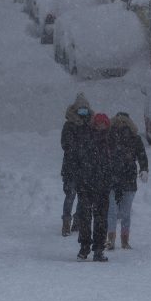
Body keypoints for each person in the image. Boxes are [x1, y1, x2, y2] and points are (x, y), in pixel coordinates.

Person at [74, 112, 114, 262]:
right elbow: (77, 159)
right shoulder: (86, 138)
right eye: (99, 123)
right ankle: (84, 247)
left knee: (101, 219)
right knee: (85, 218)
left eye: (103, 123)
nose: (101, 126)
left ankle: (98, 249)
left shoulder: (110, 141)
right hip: (86, 185)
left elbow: (114, 163)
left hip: (102, 186)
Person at [106, 112, 149, 251]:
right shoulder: (110, 137)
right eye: (119, 122)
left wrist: (144, 169)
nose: (121, 124)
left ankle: (119, 240)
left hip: (123, 179)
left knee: (121, 212)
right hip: (116, 178)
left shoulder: (133, 138)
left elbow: (142, 155)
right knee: (116, 212)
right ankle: (115, 239)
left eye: (124, 122)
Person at [59, 93, 91, 237]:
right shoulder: (69, 126)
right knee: (70, 195)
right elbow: (66, 145)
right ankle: (66, 221)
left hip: (85, 167)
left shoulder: (90, 126)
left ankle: (77, 220)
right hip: (71, 167)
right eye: (81, 109)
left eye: (85, 109)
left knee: (82, 196)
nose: (83, 112)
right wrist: (80, 150)